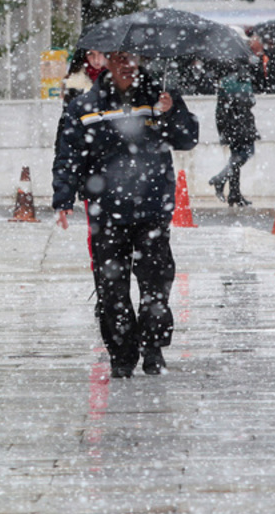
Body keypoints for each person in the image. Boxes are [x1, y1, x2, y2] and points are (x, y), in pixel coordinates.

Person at [52, 51, 199, 378]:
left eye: (132, 57)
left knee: (157, 282)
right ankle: (121, 353)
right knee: (111, 288)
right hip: (106, 213)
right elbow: (68, 154)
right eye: (119, 58)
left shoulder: (160, 97)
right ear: (103, 61)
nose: (127, 64)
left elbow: (187, 139)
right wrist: (63, 197)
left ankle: (153, 348)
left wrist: (172, 112)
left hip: (152, 210)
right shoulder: (84, 107)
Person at [208, 68, 258, 207]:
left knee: (235, 157)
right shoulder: (239, 81)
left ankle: (234, 193)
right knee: (246, 153)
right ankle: (220, 178)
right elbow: (248, 101)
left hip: (232, 126)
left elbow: (220, 109)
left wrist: (223, 131)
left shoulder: (225, 82)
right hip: (241, 124)